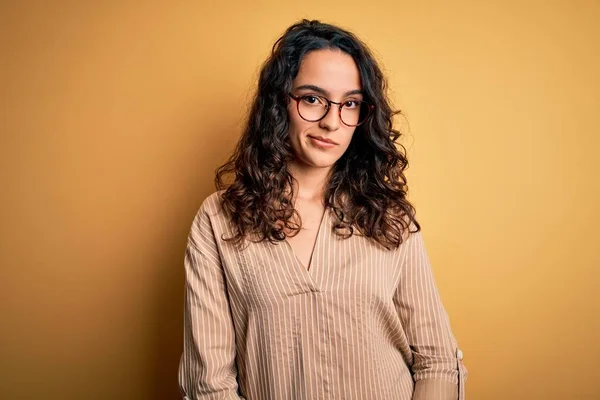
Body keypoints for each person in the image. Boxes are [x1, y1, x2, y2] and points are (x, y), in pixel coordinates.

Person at [178, 19, 467, 400]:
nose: (332, 122)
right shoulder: (218, 219)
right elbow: (209, 386)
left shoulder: (390, 215)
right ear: (279, 103)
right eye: (312, 98)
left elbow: (438, 361)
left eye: (350, 104)